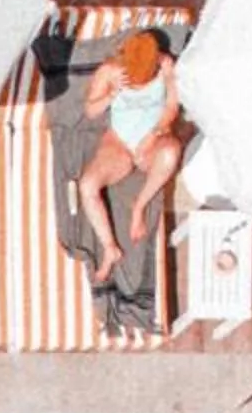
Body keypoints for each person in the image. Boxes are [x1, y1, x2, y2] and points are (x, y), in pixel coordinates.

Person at [76, 30, 185, 288]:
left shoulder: (165, 66)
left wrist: (153, 135)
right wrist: (111, 95)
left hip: (152, 141)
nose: (138, 84)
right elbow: (90, 111)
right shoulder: (111, 71)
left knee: (171, 152)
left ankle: (139, 205)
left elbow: (171, 107)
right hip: (119, 143)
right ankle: (109, 247)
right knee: (86, 186)